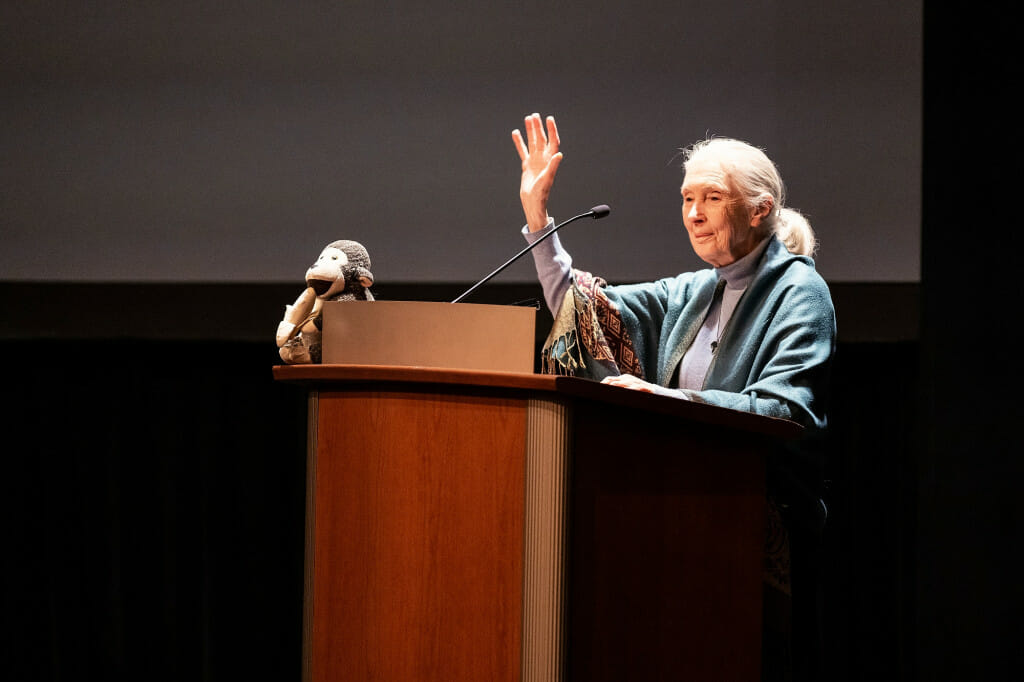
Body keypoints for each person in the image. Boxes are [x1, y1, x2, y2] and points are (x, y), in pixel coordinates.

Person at [512, 112, 836, 680]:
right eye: (687, 198)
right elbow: (584, 311)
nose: (693, 213)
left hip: (753, 535)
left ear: (759, 210)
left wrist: (667, 403)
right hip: (673, 521)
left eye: (712, 197)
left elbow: (788, 411)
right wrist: (538, 218)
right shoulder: (693, 290)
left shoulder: (800, 291)